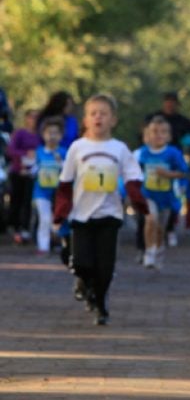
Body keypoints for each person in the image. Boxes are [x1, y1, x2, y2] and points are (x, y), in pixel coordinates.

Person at [54, 94, 149, 325]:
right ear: (85, 120)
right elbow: (65, 183)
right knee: (82, 263)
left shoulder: (120, 149)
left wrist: (137, 200)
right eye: (93, 113)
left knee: (105, 267)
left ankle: (101, 303)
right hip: (82, 215)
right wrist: (61, 212)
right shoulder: (77, 148)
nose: (98, 117)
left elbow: (133, 176)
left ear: (113, 120)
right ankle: (83, 283)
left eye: (103, 113)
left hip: (110, 214)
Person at [138, 116, 187, 269]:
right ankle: (149, 252)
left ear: (169, 136)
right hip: (148, 194)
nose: (158, 135)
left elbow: (183, 173)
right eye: (154, 131)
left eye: (163, 132)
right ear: (147, 135)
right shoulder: (143, 153)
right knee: (150, 220)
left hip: (167, 196)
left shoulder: (173, 153)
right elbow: (136, 171)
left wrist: (168, 174)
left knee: (160, 228)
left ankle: (159, 249)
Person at [32, 116, 67, 254]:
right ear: (43, 134)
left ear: (61, 135)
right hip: (41, 192)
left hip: (59, 193)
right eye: (49, 132)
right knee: (45, 219)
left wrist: (60, 163)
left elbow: (69, 171)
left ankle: (59, 242)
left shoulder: (64, 152)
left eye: (55, 133)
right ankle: (43, 246)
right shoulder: (38, 152)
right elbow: (32, 168)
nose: (52, 136)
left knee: (58, 220)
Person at [7, 109, 40, 244]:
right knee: (16, 200)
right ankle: (14, 226)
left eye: (36, 117)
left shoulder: (40, 136)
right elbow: (11, 150)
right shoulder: (20, 133)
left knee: (28, 201)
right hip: (18, 172)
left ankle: (25, 229)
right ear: (26, 119)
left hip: (32, 173)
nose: (33, 120)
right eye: (31, 117)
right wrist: (25, 154)